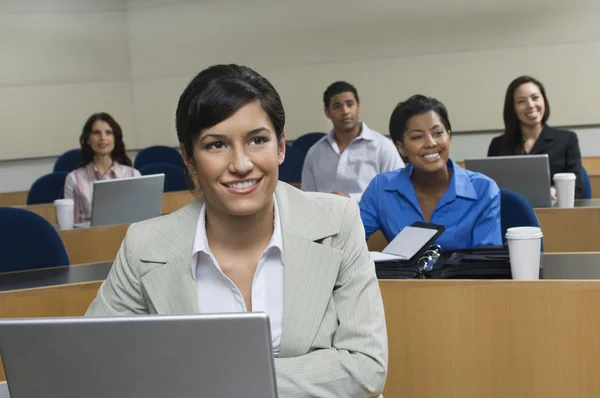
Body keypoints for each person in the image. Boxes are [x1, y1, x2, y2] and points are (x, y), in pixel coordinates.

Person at [85, 65, 387, 397]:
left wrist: (214, 380)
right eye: (216, 145)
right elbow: (97, 364)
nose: (241, 164)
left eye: (258, 140)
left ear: (281, 146)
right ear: (188, 156)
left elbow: (365, 366)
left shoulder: (336, 222)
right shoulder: (145, 245)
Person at [360, 95, 502, 251]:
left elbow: (487, 262)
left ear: (449, 136)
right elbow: (348, 242)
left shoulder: (484, 189)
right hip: (400, 276)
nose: (431, 143)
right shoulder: (381, 188)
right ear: (401, 147)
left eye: (438, 133)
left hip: (465, 276)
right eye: (417, 137)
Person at [301, 81, 403, 201]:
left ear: (358, 106)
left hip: (370, 217)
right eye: (337, 106)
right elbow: (307, 197)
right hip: (327, 218)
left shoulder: (382, 146)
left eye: (350, 104)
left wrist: (350, 199)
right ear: (327, 112)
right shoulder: (315, 152)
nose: (345, 112)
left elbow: (397, 191)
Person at [487, 75, 584, 199]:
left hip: (555, 213)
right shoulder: (498, 144)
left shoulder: (567, 140)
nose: (531, 105)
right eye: (521, 101)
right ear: (513, 108)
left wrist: (556, 191)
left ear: (544, 100)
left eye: (535, 98)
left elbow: (578, 189)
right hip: (513, 212)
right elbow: (490, 190)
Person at [64, 112, 140, 223]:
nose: (103, 138)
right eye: (96, 133)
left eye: (108, 133)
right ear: (88, 140)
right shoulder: (74, 179)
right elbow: (70, 226)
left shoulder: (133, 175)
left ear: (115, 138)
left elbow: (140, 217)